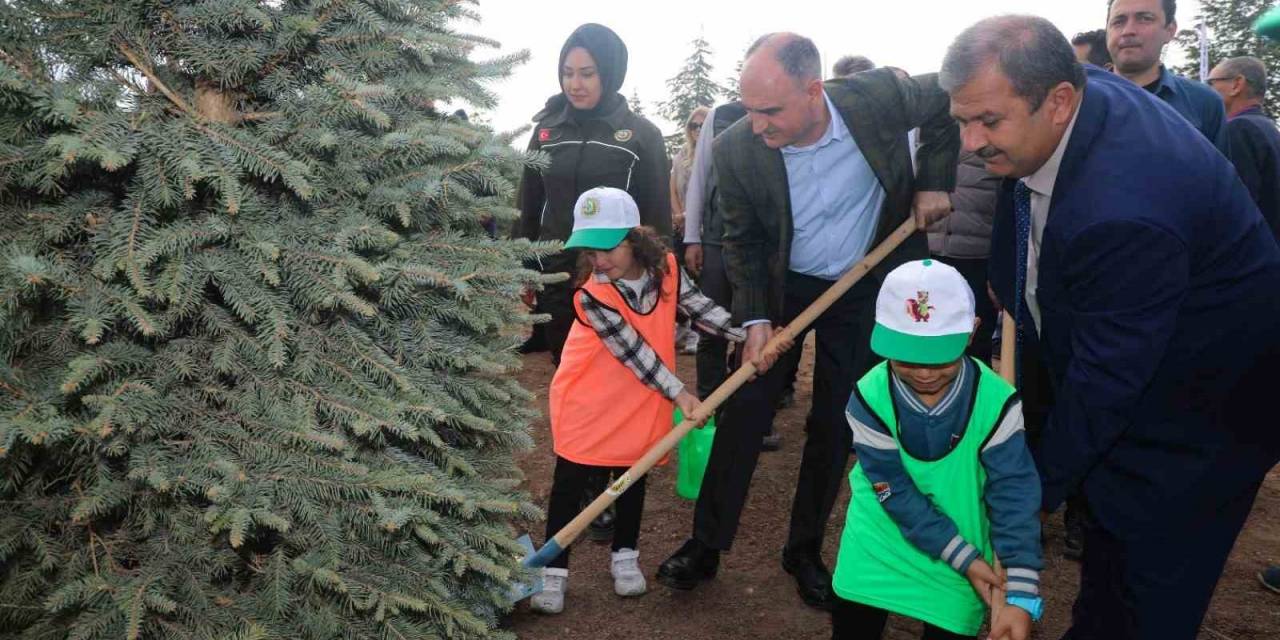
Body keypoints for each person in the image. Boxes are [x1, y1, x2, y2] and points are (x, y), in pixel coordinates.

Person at [943, 15, 1280, 639]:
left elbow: (1105, 386)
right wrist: (1008, 277)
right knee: (1106, 548)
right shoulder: (1070, 88)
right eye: (962, 120)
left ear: (1060, 103)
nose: (971, 142)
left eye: (989, 122)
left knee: (1148, 575)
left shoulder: (1123, 211)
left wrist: (1028, 496)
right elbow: (1017, 192)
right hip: (1140, 350)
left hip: (1199, 416)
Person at [658, 32, 959, 611]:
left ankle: (804, 549)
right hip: (784, 284)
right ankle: (706, 542)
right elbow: (742, 239)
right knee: (746, 403)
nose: (757, 123)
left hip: (863, 279)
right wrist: (756, 321)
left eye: (770, 110)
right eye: (748, 109)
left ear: (814, 90)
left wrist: (932, 180)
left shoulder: (878, 99)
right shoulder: (738, 147)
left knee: (838, 416)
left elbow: (948, 102)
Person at [531, 187, 746, 614]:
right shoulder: (590, 295)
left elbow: (697, 307)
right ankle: (552, 571)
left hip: (642, 397)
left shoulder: (667, 267)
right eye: (590, 250)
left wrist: (748, 335)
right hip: (588, 398)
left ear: (634, 238)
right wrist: (682, 393)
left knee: (633, 474)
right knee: (571, 482)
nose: (599, 259)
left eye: (608, 246)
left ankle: (624, 555)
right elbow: (635, 353)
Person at [832, 259, 1042, 640]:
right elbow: (891, 488)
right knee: (853, 626)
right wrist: (962, 556)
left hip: (965, 543)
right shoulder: (868, 396)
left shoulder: (998, 402)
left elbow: (1014, 491)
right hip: (882, 535)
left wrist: (1020, 594)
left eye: (939, 357)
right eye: (908, 357)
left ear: (972, 331)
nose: (925, 373)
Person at [516, 23, 672, 366]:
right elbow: (528, 206)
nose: (575, 84)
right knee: (569, 365)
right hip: (557, 275)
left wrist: (658, 275)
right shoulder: (547, 132)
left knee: (615, 370)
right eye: (567, 73)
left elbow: (657, 213)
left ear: (610, 72)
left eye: (587, 73)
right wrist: (524, 267)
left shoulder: (641, 135)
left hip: (615, 274)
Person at [1105, 0, 1230, 156]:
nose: (1128, 30)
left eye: (1144, 18)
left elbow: (1218, 178)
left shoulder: (1204, 103)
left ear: (1170, 30)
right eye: (1118, 21)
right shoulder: (1079, 97)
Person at [927, 151, 1000, 362]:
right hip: (925, 255)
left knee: (974, 338)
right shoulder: (922, 129)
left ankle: (976, 391)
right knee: (925, 331)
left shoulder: (993, 136)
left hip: (977, 259)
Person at [1209, 56, 1280, 237]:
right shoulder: (1266, 127)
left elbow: (1237, 207)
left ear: (1237, 85)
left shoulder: (1238, 129)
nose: (1206, 89)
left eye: (1211, 83)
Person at [672, 106, 712, 355]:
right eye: (693, 125)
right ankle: (683, 325)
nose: (697, 129)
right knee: (679, 280)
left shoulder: (716, 153)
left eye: (702, 124)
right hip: (682, 227)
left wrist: (694, 217)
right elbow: (672, 189)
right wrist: (678, 215)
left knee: (703, 282)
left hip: (707, 230)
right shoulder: (680, 156)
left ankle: (699, 332)